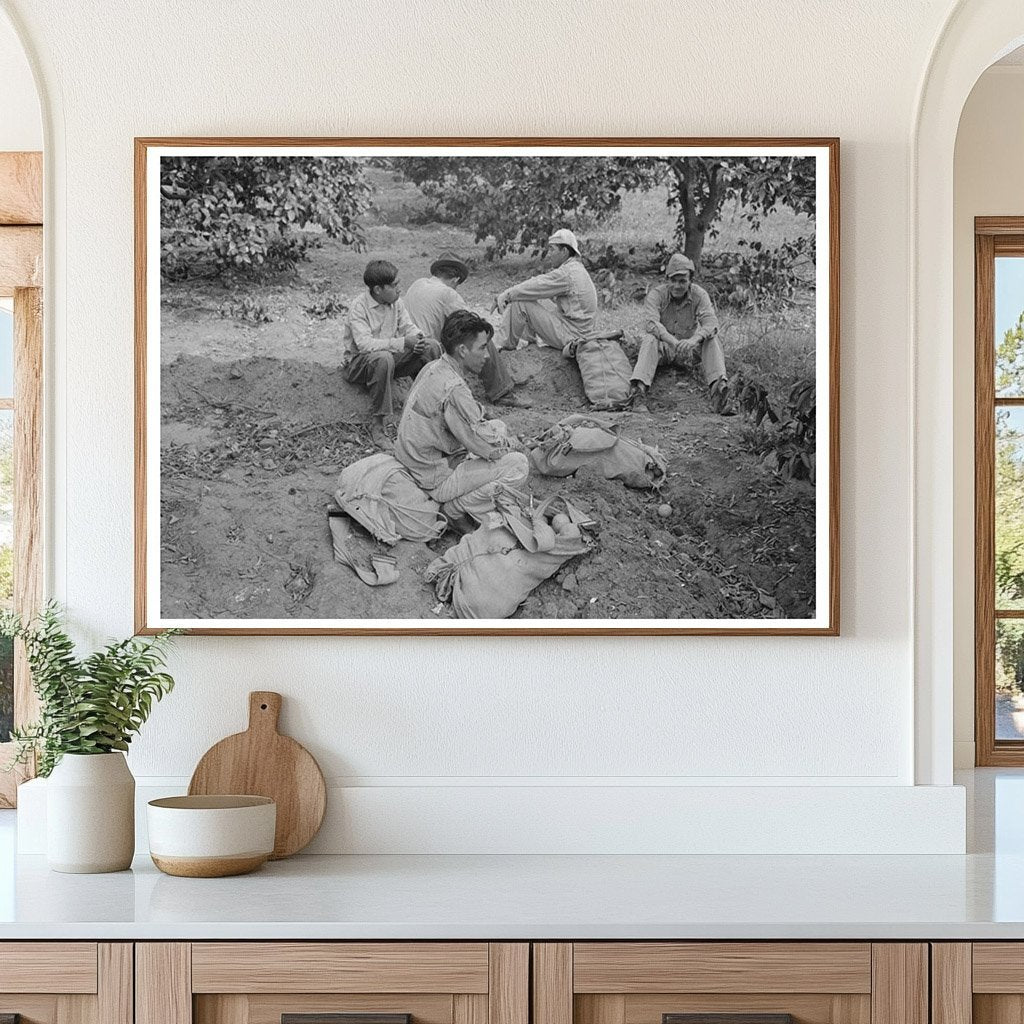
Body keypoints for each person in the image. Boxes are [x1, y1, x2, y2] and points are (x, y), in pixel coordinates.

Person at [394, 309, 530, 532]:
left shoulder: (435, 367)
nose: (487, 356)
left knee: (498, 427)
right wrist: (513, 444)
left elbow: (470, 422)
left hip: (415, 458)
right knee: (518, 465)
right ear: (463, 350)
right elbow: (485, 446)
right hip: (431, 477)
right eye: (483, 348)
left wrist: (499, 433)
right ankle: (455, 510)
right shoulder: (455, 389)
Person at [403, 251, 531, 408]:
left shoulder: (417, 284)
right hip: (431, 354)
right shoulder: (447, 293)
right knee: (481, 338)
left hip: (410, 350)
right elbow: (472, 324)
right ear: (456, 279)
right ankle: (501, 392)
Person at [342, 259, 442, 449]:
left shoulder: (396, 303)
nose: (399, 289)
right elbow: (364, 345)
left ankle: (434, 407)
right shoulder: (359, 308)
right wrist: (404, 342)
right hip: (358, 365)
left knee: (431, 347)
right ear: (378, 290)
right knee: (383, 357)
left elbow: (408, 327)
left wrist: (417, 340)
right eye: (394, 285)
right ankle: (378, 424)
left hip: (387, 361)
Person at [627, 252, 734, 415]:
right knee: (650, 338)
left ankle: (719, 392)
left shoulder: (699, 294)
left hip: (688, 349)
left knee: (712, 339)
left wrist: (694, 340)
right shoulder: (656, 295)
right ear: (667, 280)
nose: (677, 286)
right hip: (664, 348)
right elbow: (651, 324)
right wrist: (672, 341)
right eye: (673, 281)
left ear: (690, 281)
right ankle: (639, 393)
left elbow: (711, 323)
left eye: (683, 281)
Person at [493, 228, 597, 351]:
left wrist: (506, 295)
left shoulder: (567, 274)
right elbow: (538, 286)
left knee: (520, 302)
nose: (549, 253)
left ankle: (501, 348)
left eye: (552, 249)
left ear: (564, 251)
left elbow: (537, 285)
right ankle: (529, 344)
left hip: (573, 336)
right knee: (529, 296)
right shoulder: (575, 268)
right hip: (579, 330)